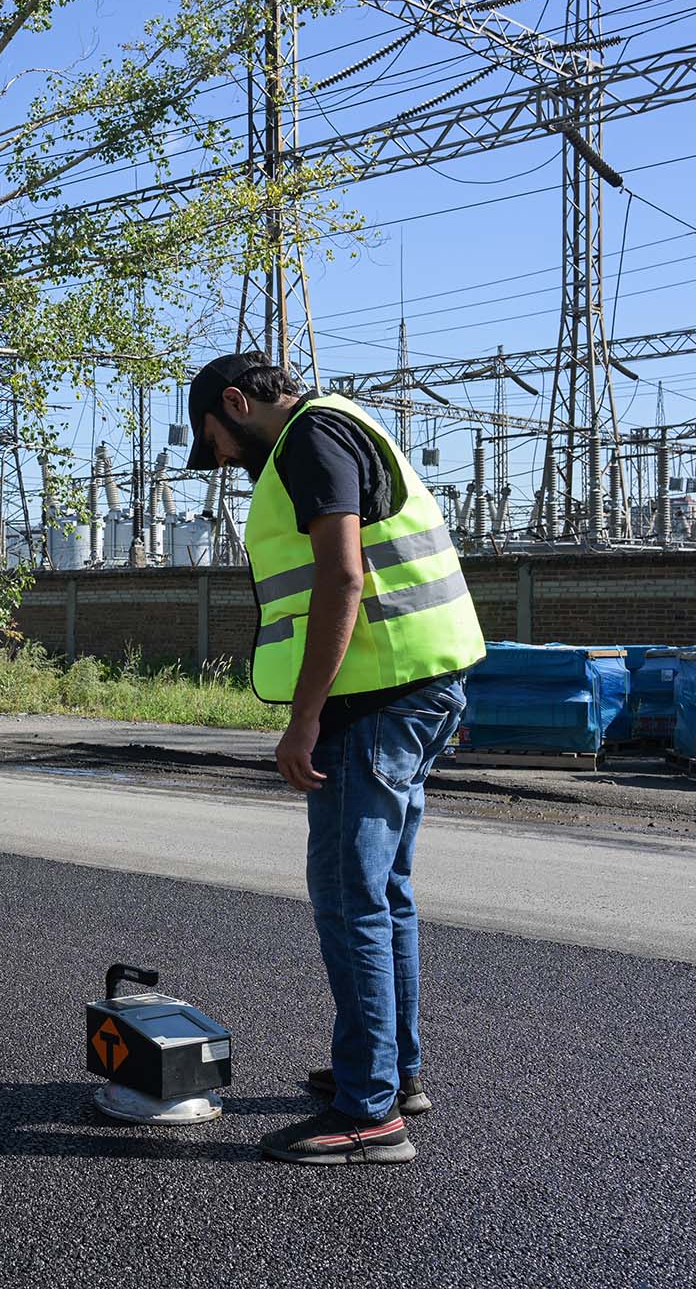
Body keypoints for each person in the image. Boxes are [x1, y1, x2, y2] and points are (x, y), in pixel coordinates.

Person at [185, 352, 485, 1165]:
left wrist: (304, 718)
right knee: (384, 891)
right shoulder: (343, 423)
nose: (217, 459)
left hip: (374, 697)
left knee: (349, 897)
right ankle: (395, 1074)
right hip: (419, 683)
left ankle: (368, 1113)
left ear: (238, 403)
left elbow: (343, 577)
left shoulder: (312, 441)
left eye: (212, 439)